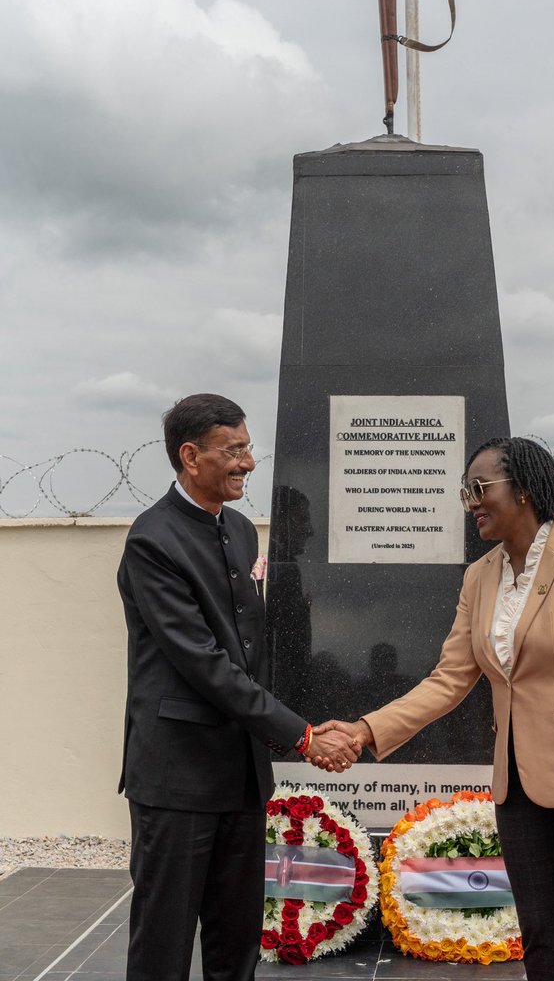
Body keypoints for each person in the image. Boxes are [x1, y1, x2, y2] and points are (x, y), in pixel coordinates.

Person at [323, 436, 554, 981]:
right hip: (518, 789)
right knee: (542, 938)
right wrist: (364, 730)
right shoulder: (480, 578)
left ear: (523, 490)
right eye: (465, 492)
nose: (470, 501)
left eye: (480, 488)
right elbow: (449, 679)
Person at [117, 393, 359, 981]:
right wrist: (302, 736)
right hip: (178, 775)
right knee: (164, 942)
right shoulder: (152, 542)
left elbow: (252, 650)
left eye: (249, 449)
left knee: (237, 938)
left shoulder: (243, 531)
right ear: (191, 455)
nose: (249, 463)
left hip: (242, 773)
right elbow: (204, 663)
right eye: (235, 451)